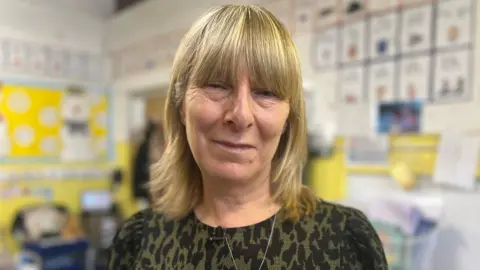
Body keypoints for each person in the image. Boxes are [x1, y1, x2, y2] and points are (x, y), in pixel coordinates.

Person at [108, 4, 388, 269]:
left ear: (288, 119)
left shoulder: (346, 241)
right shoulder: (138, 241)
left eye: (265, 93)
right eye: (217, 85)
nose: (241, 115)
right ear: (181, 106)